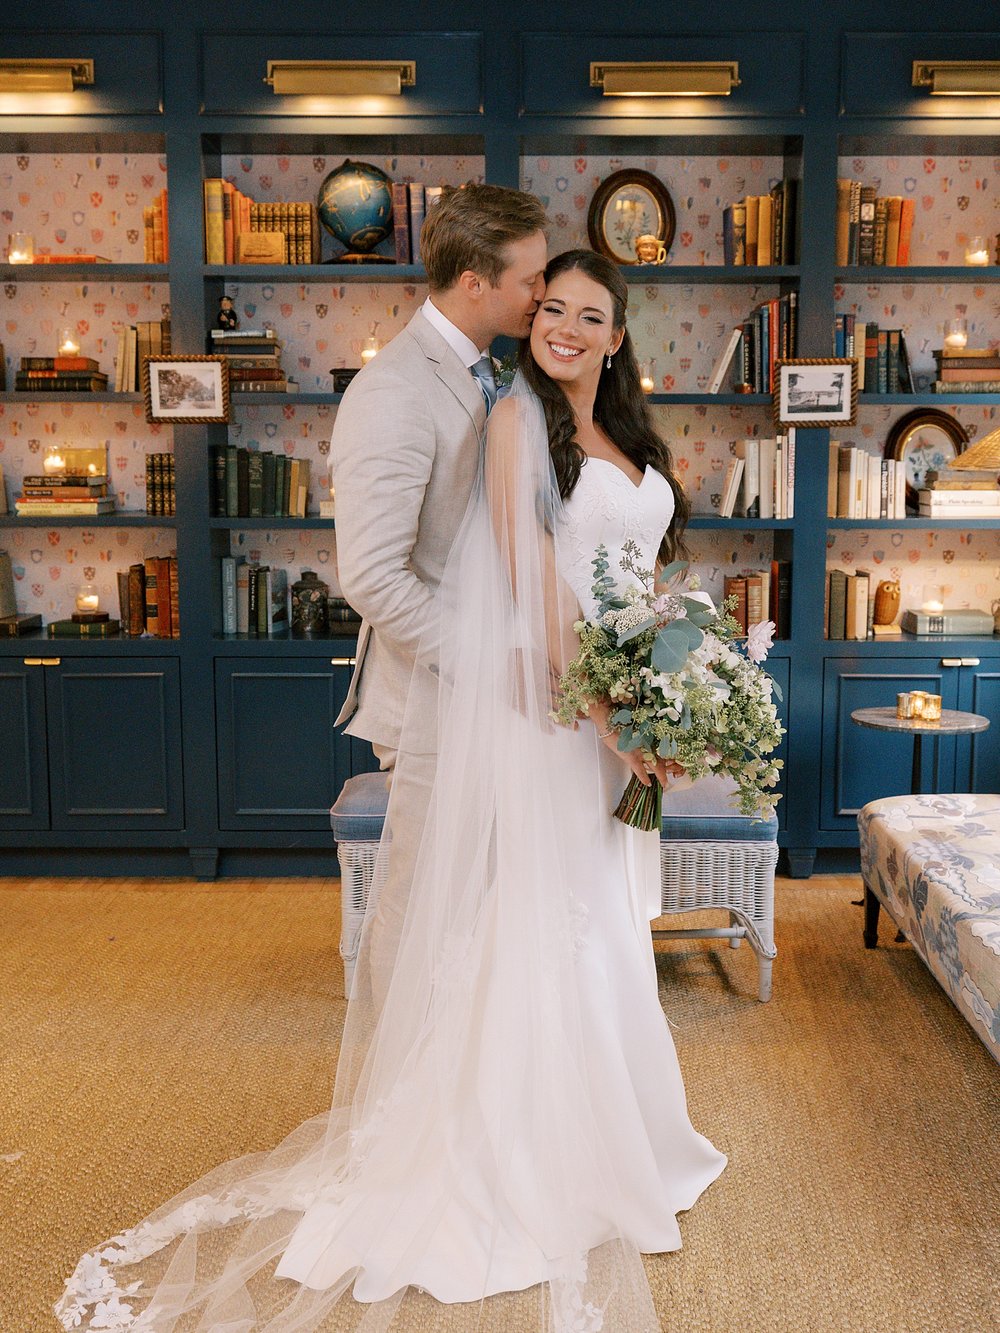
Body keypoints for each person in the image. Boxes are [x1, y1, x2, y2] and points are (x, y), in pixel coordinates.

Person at [55, 249, 725, 1333]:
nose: (562, 325)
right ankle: (518, 1154)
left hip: (612, 706)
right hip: (552, 711)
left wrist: (669, 686)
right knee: (538, 921)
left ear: (617, 335)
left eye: (586, 314)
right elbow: (530, 578)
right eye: (547, 306)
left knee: (604, 910)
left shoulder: (632, 441)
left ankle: (623, 1134)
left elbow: (635, 580)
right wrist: (609, 712)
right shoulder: (516, 423)